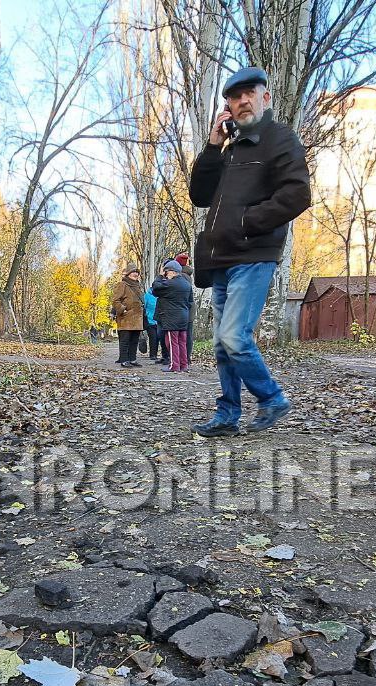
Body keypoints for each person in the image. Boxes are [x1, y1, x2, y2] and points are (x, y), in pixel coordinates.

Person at [188, 66, 311, 437]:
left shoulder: (279, 139)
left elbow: (297, 194)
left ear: (264, 98)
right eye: (234, 97)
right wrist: (212, 146)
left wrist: (247, 222)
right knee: (223, 346)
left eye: (249, 94)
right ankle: (228, 415)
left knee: (233, 336)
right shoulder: (230, 148)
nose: (242, 102)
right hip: (222, 258)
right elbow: (199, 195)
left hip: (254, 254)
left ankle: (272, 398)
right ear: (227, 105)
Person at [152, 260, 193, 373]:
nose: (166, 275)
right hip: (184, 316)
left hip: (171, 318)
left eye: (167, 272)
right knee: (182, 342)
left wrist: (160, 276)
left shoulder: (170, 284)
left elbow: (155, 287)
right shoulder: (187, 284)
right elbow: (190, 302)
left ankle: (174, 365)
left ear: (173, 272)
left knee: (172, 342)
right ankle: (184, 365)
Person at [110, 268, 145, 367]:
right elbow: (115, 300)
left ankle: (132, 359)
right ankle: (124, 360)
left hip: (137, 318)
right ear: (128, 274)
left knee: (134, 340)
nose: (135, 274)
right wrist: (123, 309)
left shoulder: (138, 285)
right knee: (125, 340)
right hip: (126, 318)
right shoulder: (122, 285)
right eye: (133, 272)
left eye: (137, 272)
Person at [172, 251, 196, 361]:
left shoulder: (181, 276)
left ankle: (184, 357)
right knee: (188, 334)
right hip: (189, 308)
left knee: (182, 335)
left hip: (183, 308)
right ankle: (186, 357)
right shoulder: (188, 275)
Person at [145, 268, 169, 365]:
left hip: (161, 318)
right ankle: (153, 354)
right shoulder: (147, 295)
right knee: (153, 338)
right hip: (151, 320)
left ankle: (164, 355)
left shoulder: (162, 294)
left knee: (161, 337)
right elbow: (144, 306)